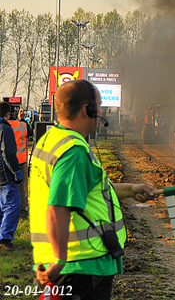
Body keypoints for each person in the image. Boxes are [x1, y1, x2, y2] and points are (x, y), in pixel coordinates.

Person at [30, 80, 155, 298]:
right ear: (88, 110)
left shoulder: (51, 140)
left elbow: (87, 190)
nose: (102, 111)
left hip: (70, 262)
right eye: (99, 105)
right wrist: (60, 260)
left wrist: (132, 189)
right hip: (81, 264)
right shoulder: (74, 152)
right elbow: (58, 206)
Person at [0, 101, 23, 251]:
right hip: (5, 174)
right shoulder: (5, 129)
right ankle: (5, 239)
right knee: (12, 206)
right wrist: (16, 172)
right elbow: (7, 152)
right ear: (8, 114)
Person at [9, 109, 32, 213]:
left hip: (8, 160)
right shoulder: (22, 124)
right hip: (21, 159)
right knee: (21, 186)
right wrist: (22, 119)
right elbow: (30, 132)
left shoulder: (4, 125)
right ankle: (23, 209)